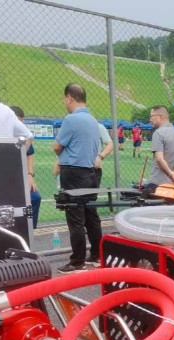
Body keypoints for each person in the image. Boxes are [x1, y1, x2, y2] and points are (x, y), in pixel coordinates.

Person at [53, 83, 103, 274]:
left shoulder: (71, 119)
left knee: (75, 218)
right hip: (90, 172)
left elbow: (57, 146)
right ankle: (97, 255)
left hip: (73, 173)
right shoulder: (92, 120)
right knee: (91, 216)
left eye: (65, 99)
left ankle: (77, 261)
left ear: (69, 98)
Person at [10, 106, 40, 229]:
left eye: (22, 122)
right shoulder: (2, 133)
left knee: (35, 198)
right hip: (6, 178)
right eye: (18, 122)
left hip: (21, 176)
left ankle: (30, 230)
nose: (21, 125)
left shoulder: (23, 136)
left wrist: (30, 175)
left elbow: (30, 154)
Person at [147, 106, 174, 190]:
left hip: (159, 183)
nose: (150, 119)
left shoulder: (158, 133)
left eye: (151, 116)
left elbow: (159, 159)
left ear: (159, 117)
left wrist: (170, 174)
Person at [94, 123, 114, 187]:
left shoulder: (98, 126)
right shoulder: (73, 124)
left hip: (94, 166)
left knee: (92, 191)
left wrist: (100, 157)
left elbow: (110, 144)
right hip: (75, 166)